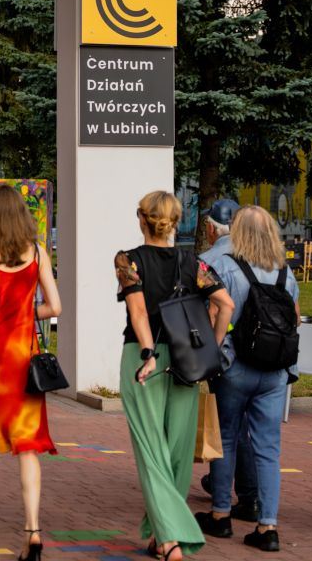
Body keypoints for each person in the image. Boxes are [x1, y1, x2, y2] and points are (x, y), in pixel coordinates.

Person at [114, 190, 233, 561]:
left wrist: (148, 354)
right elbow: (225, 304)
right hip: (187, 361)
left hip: (143, 359)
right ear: (175, 222)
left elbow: (138, 312)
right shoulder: (192, 262)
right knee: (178, 448)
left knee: (151, 450)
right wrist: (211, 348)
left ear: (141, 219)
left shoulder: (128, 260)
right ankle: (162, 534)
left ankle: (170, 540)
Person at [0, 184, 61, 561]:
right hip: (24, 355)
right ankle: (33, 530)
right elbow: (55, 307)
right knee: (27, 445)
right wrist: (25, 315)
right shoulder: (38, 253)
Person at [195, 205, 298, 552]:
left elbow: (215, 312)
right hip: (274, 371)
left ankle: (221, 514)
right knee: (268, 448)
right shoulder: (285, 271)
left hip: (235, 366)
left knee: (225, 438)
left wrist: (213, 354)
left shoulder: (225, 266)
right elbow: (294, 317)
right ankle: (267, 526)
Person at [198, 198, 261, 524]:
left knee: (227, 429)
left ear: (212, 229)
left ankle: (229, 500)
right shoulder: (264, 258)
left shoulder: (208, 261)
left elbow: (209, 312)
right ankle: (253, 499)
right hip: (264, 357)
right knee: (253, 433)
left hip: (228, 356)